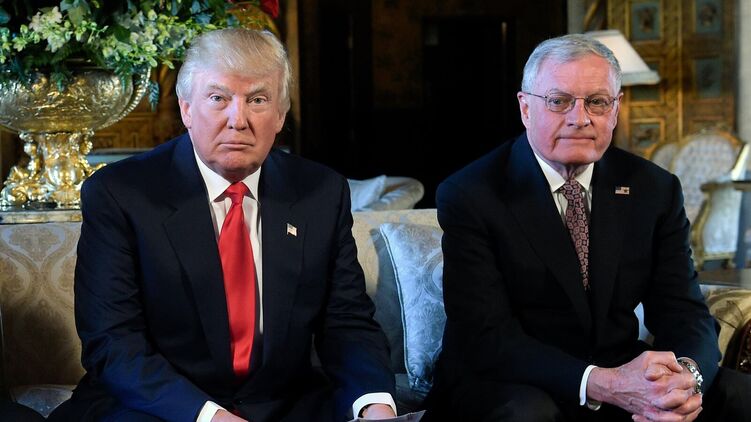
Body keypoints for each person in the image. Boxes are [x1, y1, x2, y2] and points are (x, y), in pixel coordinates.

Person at [48, 28, 397, 422]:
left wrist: (375, 405)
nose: (238, 120)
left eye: (258, 100)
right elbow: (113, 343)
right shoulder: (120, 193)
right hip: (158, 406)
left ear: (281, 115)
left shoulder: (320, 191)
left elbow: (347, 322)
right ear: (186, 110)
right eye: (218, 98)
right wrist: (212, 417)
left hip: (284, 405)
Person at [424, 34, 751, 421]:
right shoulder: (473, 193)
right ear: (526, 108)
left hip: (618, 369)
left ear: (616, 109)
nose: (580, 118)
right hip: (509, 378)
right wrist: (603, 383)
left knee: (738, 394)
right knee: (531, 414)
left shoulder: (654, 189)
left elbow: (683, 311)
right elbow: (487, 336)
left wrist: (685, 379)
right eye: (558, 101)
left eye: (597, 102)